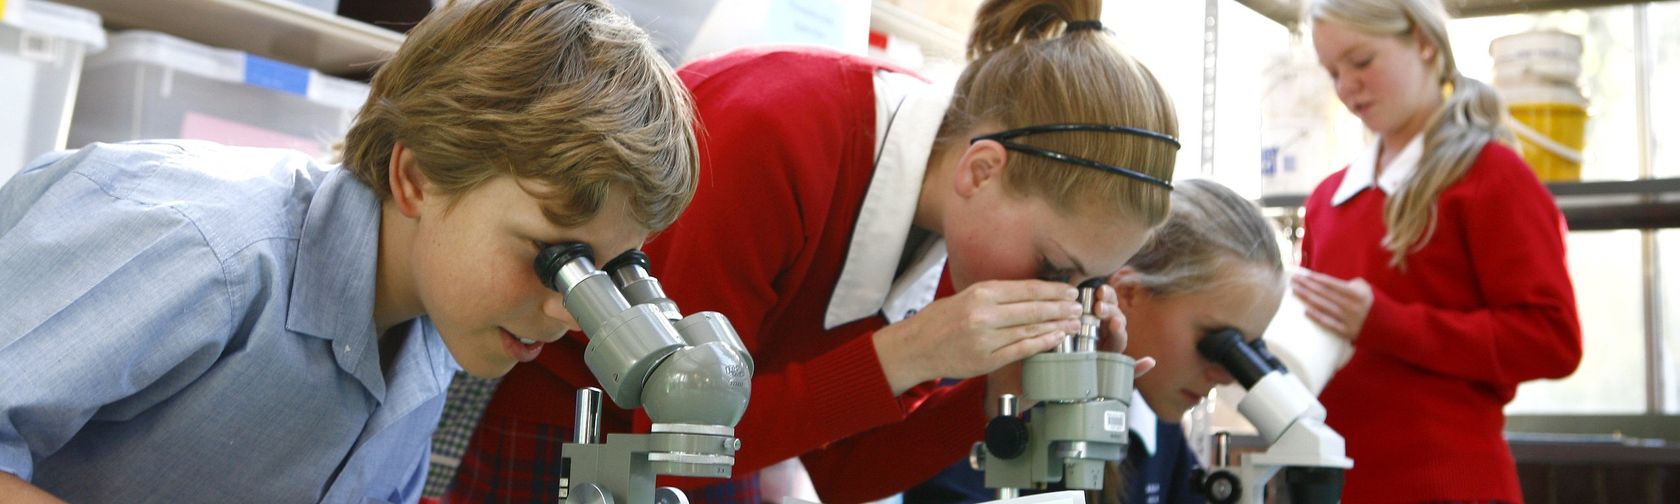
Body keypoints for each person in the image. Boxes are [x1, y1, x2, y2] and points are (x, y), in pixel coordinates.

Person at [445, 0, 1181, 501]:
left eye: (1084, 283)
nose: (1059, 295)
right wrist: (912, 355)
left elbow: (840, 474)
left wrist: (1003, 381)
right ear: (981, 169)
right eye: (1056, 269)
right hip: (555, 423)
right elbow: (672, 436)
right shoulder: (776, 135)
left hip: (691, 454)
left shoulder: (965, 233)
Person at [0, 0, 697, 502]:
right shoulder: (201, 246)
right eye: (554, 256)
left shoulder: (431, 337)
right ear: (417, 176)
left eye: (608, 271)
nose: (569, 312)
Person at [1296, 0, 1582, 500]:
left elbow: (1552, 339)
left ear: (1424, 43)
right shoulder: (1326, 200)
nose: (1345, 87)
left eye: (1361, 62)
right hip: (1339, 486)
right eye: (1331, 72)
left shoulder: (1492, 177)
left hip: (1450, 484)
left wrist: (1387, 324)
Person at [905, 179, 1285, 504]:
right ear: (1130, 292)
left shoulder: (1154, 425)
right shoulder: (998, 396)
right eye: (1219, 342)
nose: (1226, 375)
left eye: (1248, 352)